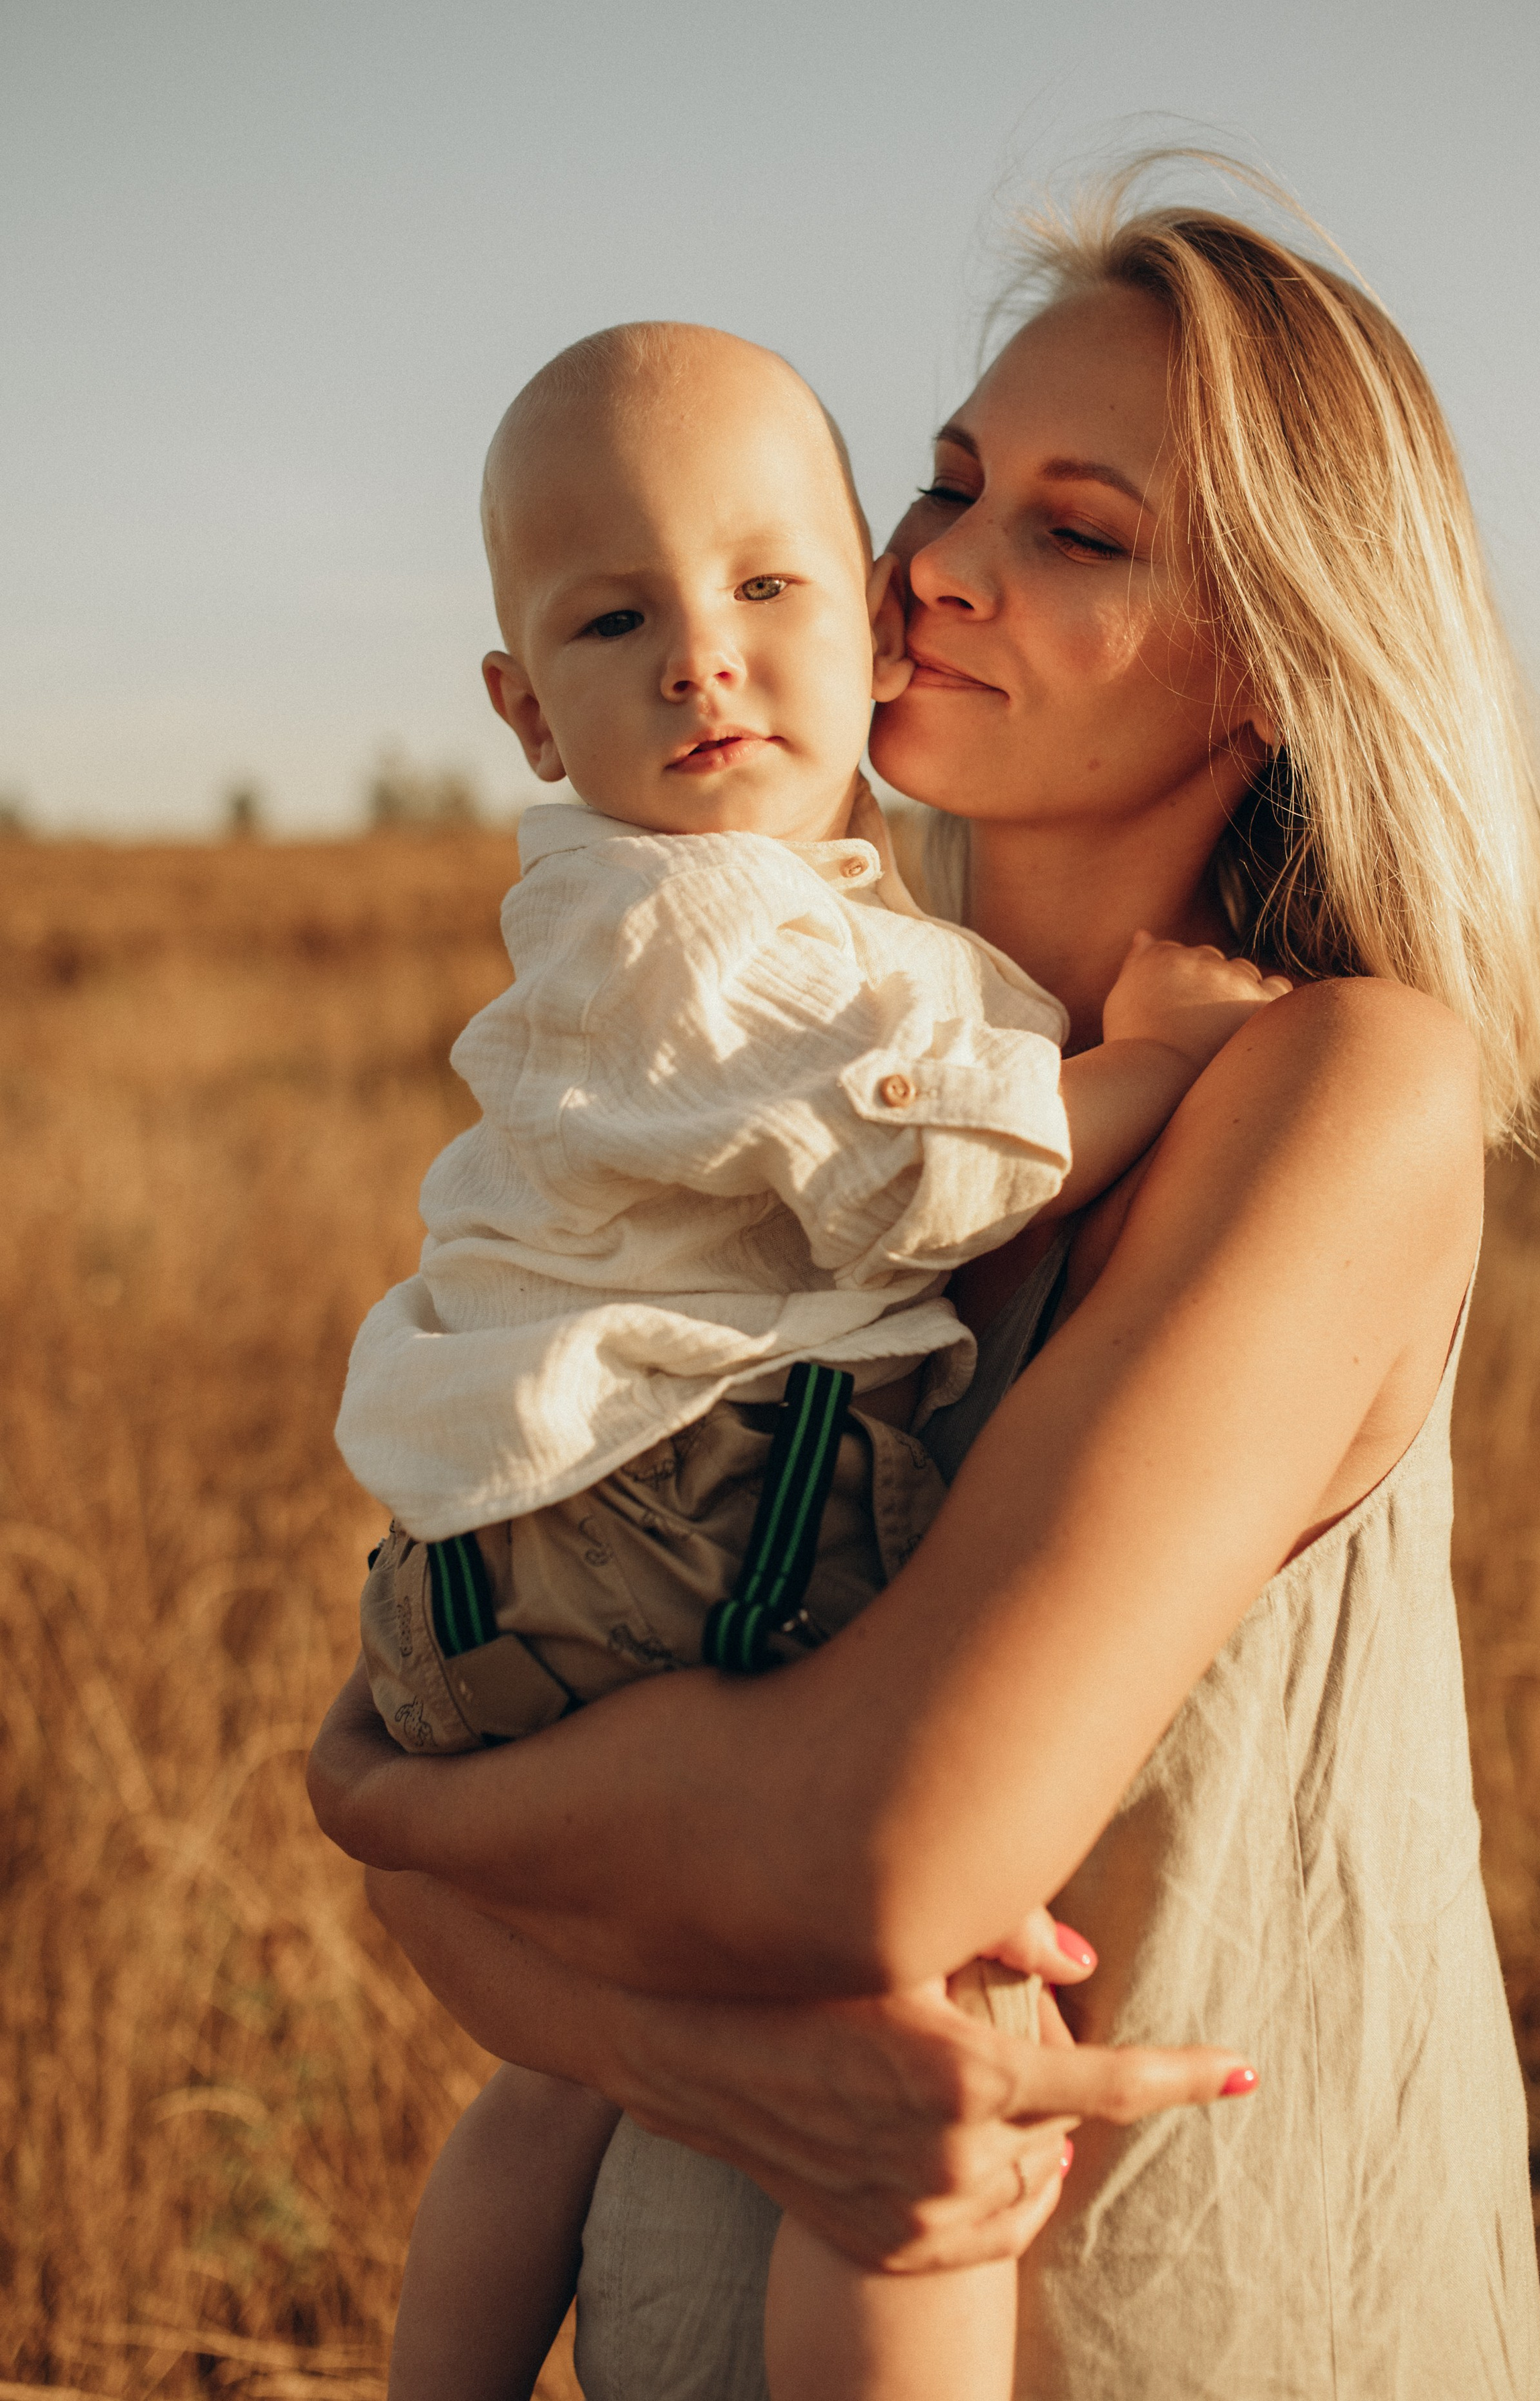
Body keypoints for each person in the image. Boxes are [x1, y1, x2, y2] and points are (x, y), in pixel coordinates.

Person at [310, 159, 1540, 2399]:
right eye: (949, 482)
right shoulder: (835, 1074)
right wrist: (679, 2049)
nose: (937, 570)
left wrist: (409, 1826)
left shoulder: (1337, 1086)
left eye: (1077, 535)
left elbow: (877, 1850)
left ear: (1277, 667)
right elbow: (489, 1676)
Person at [335, 318, 1280, 2401]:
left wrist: (396, 1807)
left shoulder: (738, 910)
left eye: (766, 586)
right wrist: (1149, 1068)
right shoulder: (706, 929)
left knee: (554, 2086)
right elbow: (921, 1175)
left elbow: (363, 1793)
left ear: (851, 621)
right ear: (521, 708)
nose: (701, 657)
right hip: (675, 1513)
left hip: (514, 1554)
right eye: (617, 617)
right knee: (945, 2032)